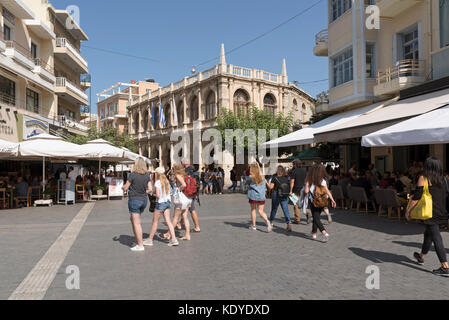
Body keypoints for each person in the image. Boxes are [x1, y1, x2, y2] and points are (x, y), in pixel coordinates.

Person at [406, 157, 449, 277]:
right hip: (441, 212)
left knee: (436, 237)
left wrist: (408, 211)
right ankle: (421, 256)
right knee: (428, 233)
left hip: (429, 212)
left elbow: (417, 197)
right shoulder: (444, 179)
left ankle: (445, 266)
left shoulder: (423, 178)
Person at [122, 158, 153, 252]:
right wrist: (143, 191)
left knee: (137, 223)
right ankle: (138, 239)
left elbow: (125, 187)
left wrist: (122, 187)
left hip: (135, 200)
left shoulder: (132, 175)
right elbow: (150, 189)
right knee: (133, 219)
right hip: (144, 200)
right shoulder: (147, 175)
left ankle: (140, 245)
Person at [144, 167, 179, 247]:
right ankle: (174, 239)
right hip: (167, 202)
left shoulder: (158, 182)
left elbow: (158, 195)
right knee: (168, 221)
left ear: (157, 174)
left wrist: (152, 194)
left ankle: (150, 240)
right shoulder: (167, 181)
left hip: (160, 204)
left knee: (155, 222)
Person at [304, 165, 336, 242]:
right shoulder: (323, 180)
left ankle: (325, 233)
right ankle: (313, 233)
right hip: (323, 201)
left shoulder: (309, 180)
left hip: (313, 202)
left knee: (316, 218)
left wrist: (306, 186)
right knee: (316, 216)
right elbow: (327, 191)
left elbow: (306, 191)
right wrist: (332, 200)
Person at [163, 164, 191, 241]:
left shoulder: (178, 175)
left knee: (175, 217)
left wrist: (179, 188)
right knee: (185, 217)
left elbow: (184, 185)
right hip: (187, 198)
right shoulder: (184, 175)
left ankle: (168, 233)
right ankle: (187, 235)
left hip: (181, 199)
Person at [246, 163, 272, 232]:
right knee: (261, 211)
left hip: (253, 196)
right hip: (261, 196)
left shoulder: (250, 177)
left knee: (253, 210)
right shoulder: (262, 177)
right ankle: (267, 222)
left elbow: (247, 185)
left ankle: (254, 226)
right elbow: (264, 187)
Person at [268, 166, 292, 232]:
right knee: (285, 209)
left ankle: (271, 223)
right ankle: (288, 224)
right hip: (285, 194)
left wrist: (267, 182)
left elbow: (271, 187)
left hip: (276, 194)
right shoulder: (286, 177)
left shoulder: (274, 177)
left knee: (274, 209)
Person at [181, 158, 201, 233]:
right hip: (193, 192)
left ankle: (197, 227)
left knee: (191, 209)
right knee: (186, 209)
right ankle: (180, 223)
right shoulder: (195, 171)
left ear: (183, 164)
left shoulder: (185, 171)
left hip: (187, 193)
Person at [289, 159, 309, 224]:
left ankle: (297, 219)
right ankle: (307, 213)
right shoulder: (304, 171)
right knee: (304, 204)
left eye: (293, 164)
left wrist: (291, 191)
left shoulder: (294, 171)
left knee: (296, 204)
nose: (293, 165)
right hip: (303, 189)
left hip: (296, 190)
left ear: (295, 164)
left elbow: (292, 182)